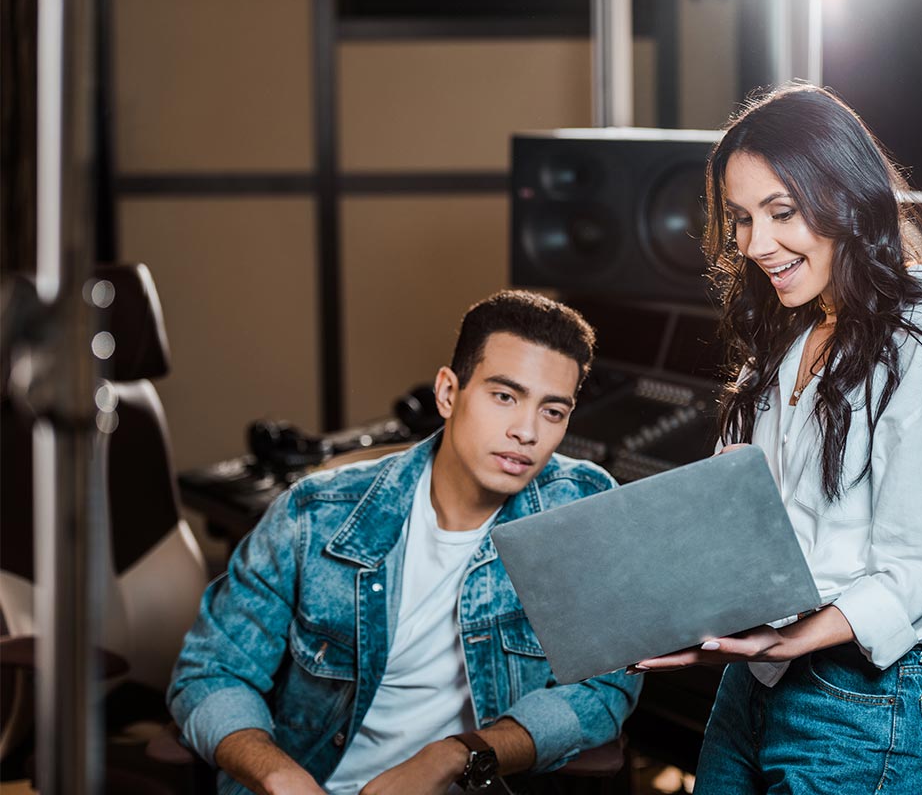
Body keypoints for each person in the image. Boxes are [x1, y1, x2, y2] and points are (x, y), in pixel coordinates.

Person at [632, 83, 922, 794]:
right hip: (755, 685)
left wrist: (792, 637)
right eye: (740, 218)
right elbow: (739, 515)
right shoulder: (787, 336)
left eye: (782, 212)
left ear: (847, 199)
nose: (755, 245)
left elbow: (921, 571)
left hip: (859, 704)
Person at [169, 290, 641, 795]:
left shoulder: (581, 507)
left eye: (552, 412)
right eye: (504, 396)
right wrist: (276, 774)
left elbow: (604, 687)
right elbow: (210, 673)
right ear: (447, 393)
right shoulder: (315, 514)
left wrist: (458, 754)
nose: (527, 431)